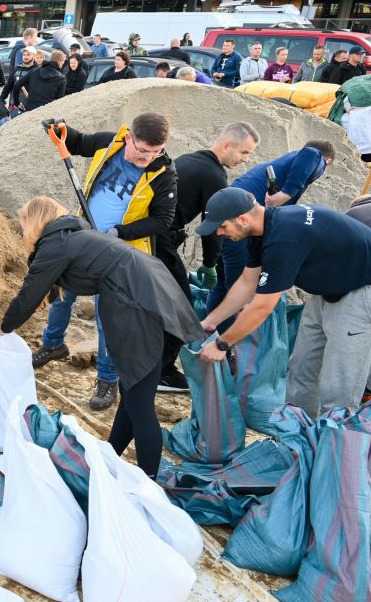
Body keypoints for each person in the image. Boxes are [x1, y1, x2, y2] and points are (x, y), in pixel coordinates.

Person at [0, 197, 204, 477]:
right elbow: (46, 290)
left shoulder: (56, 245)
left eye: (23, 223)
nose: (21, 230)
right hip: (152, 290)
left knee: (139, 402)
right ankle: (111, 454)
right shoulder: (75, 236)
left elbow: (30, 292)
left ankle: (148, 482)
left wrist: (4, 328)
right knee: (133, 389)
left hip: (135, 302)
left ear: (35, 222)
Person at [29, 113, 176, 411]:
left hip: (121, 255)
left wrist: (118, 232)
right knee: (61, 293)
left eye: (155, 152)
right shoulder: (110, 144)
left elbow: (163, 220)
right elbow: (79, 142)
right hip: (83, 239)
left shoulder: (165, 175)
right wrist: (61, 129)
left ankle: (107, 380)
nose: (148, 157)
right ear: (130, 138)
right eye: (142, 150)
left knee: (108, 318)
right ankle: (53, 344)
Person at [197, 188, 371, 418]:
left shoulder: (284, 237)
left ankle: (334, 450)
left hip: (361, 290)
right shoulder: (262, 231)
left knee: (337, 385)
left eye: (222, 226)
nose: (219, 233)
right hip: (327, 288)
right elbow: (248, 282)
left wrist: (222, 344)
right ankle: (298, 439)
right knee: (300, 370)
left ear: (242, 219)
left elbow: (262, 307)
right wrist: (211, 321)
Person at [153, 122, 260, 391]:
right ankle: (163, 371)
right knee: (183, 307)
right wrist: (211, 264)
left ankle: (154, 361)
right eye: (244, 153)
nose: (245, 161)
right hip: (161, 239)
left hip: (154, 235)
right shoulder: (214, 176)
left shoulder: (193, 159)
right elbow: (214, 228)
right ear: (226, 145)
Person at [205, 141, 337, 318]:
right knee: (237, 295)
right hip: (238, 225)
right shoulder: (314, 157)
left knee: (222, 286)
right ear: (327, 161)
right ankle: (227, 342)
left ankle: (207, 331)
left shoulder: (286, 162)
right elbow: (310, 154)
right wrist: (285, 194)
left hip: (227, 218)